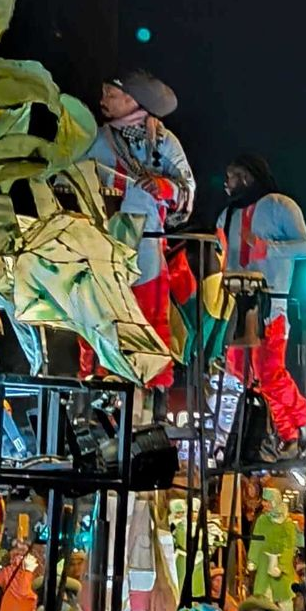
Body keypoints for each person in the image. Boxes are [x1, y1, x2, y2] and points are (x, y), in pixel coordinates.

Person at [88, 70, 194, 390]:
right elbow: (72, 178)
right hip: (106, 242)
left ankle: (152, 392)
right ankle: (109, 387)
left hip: (147, 240)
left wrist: (164, 186)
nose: (103, 100)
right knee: (106, 314)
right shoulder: (98, 139)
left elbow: (186, 188)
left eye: (110, 94)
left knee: (148, 315)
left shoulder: (163, 141)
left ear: (131, 100)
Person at [219, 154, 306, 458]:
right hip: (236, 304)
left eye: (232, 176)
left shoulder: (279, 205)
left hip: (271, 303)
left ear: (247, 177)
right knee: (242, 371)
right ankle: (291, 432)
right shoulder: (227, 215)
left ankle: (299, 422)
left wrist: (267, 248)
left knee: (269, 372)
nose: (227, 183)